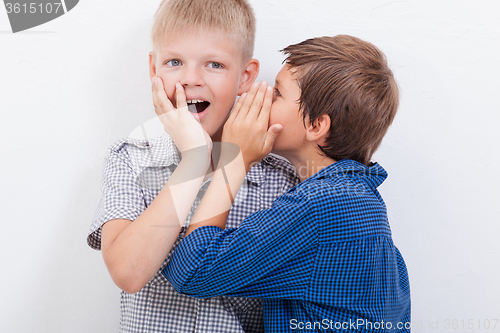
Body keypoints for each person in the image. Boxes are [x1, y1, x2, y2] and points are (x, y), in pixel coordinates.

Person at [163, 35, 411, 332]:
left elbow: (192, 271)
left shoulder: (322, 205)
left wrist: (236, 159)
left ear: (316, 126)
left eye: (278, 92)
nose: (262, 95)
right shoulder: (361, 200)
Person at [87, 0, 299, 332]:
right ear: (154, 70)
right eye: (174, 62)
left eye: (214, 64)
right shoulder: (129, 158)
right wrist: (195, 160)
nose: (190, 79)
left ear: (246, 77)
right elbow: (128, 273)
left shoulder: (282, 178)